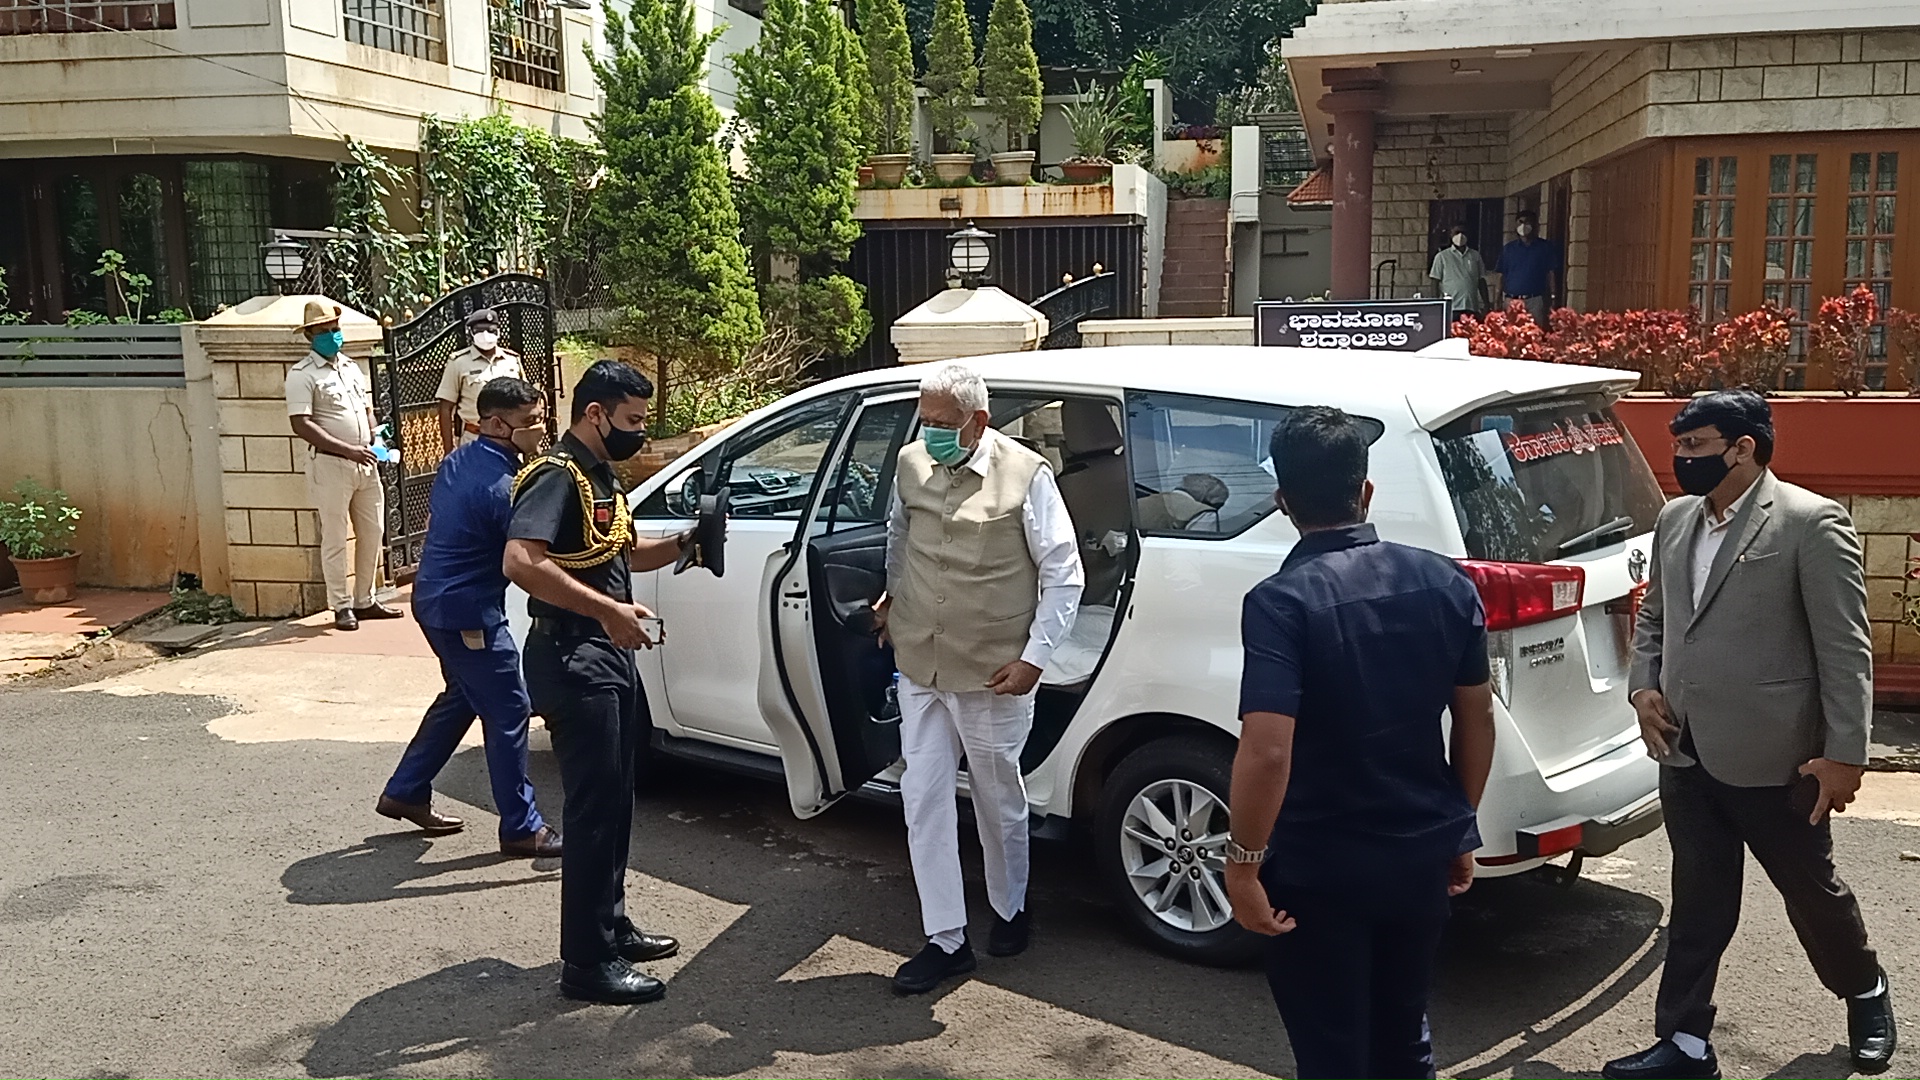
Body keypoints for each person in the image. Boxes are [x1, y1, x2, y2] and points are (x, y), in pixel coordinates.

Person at [1605, 390, 1894, 1079]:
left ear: (1744, 448)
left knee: (1810, 893)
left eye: (1697, 447)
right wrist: (1643, 688)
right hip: (1685, 749)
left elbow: (1845, 649)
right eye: (1678, 447)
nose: (1681, 460)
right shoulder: (1675, 520)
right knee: (1698, 904)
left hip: (1778, 758)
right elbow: (1657, 620)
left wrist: (1846, 757)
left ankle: (1864, 988)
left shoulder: (1808, 522)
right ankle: (1684, 1044)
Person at [1224, 406, 1497, 1080]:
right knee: (1405, 1037)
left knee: (1332, 1050)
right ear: (1365, 490)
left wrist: (1242, 867)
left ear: (1283, 502)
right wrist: (1457, 825)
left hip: (1319, 868)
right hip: (1417, 855)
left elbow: (1266, 749)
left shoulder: (1280, 602)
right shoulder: (1445, 582)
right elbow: (1476, 718)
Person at [871, 362, 1084, 995]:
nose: (930, 433)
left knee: (997, 796)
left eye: (942, 423)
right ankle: (945, 938)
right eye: (925, 420)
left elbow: (1064, 573)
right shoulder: (912, 464)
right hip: (919, 661)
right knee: (923, 797)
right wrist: (890, 602)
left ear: (978, 421)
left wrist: (1035, 659)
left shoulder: (1026, 476)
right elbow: (899, 538)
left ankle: (1011, 906)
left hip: (993, 672)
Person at [504, 359, 687, 1006]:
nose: (640, 431)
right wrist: (608, 610)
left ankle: (609, 926)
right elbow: (521, 561)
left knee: (615, 803)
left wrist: (687, 545)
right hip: (573, 655)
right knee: (591, 813)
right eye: (633, 420)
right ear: (594, 413)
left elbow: (618, 551)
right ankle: (586, 963)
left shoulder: (598, 475)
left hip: (602, 653)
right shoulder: (557, 477)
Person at [376, 376, 561, 859]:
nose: (539, 429)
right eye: (530, 422)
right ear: (498, 424)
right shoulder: (500, 487)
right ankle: (523, 828)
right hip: (467, 613)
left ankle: (406, 789)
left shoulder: (460, 460)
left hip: (437, 602)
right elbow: (530, 554)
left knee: (463, 695)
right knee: (509, 709)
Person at [284, 300, 403, 632]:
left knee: (373, 532)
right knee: (335, 537)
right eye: (324, 331)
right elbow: (302, 424)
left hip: (366, 462)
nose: (332, 336)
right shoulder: (302, 375)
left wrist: (376, 438)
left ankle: (365, 599)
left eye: (335, 330)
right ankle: (341, 605)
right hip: (331, 465)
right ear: (309, 335)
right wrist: (348, 450)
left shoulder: (351, 367)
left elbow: (366, 410)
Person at [437, 308, 525, 453]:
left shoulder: (512, 360)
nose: (485, 335)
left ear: (498, 332)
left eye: (490, 330)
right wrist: (448, 450)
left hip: (510, 440)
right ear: (471, 333)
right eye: (479, 330)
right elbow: (445, 408)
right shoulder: (458, 362)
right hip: (475, 439)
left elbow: (524, 401)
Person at [1493, 211, 1562, 327]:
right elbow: (1501, 275)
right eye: (1520, 222)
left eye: (1527, 222)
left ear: (1535, 225)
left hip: (1534, 300)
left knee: (1535, 335)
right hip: (1512, 300)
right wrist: (1497, 299)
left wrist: (1553, 297)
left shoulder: (1544, 247)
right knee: (1510, 336)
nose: (1523, 226)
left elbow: (1551, 273)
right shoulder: (1508, 249)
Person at [1428, 225, 1490, 316]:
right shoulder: (1442, 256)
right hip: (1451, 307)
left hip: (1471, 307)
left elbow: (1481, 280)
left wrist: (1486, 303)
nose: (1460, 236)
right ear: (1451, 234)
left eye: (1463, 232)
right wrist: (1436, 304)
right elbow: (1435, 281)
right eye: (1457, 232)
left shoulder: (1475, 256)